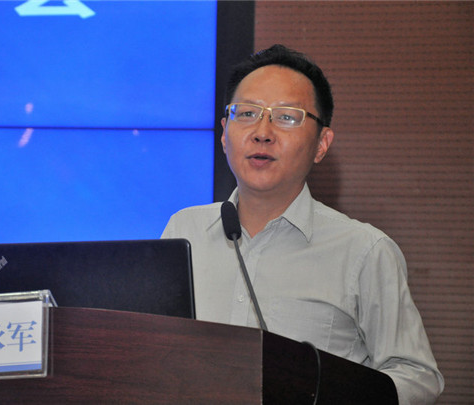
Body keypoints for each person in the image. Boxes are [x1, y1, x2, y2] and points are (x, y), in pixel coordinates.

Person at [161, 44, 443, 405]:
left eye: (286, 117)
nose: (262, 132)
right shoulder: (184, 229)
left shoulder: (364, 250)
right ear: (224, 133)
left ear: (321, 144)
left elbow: (417, 377)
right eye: (246, 113)